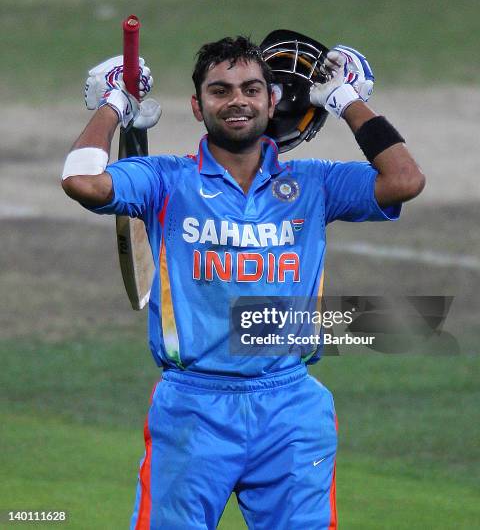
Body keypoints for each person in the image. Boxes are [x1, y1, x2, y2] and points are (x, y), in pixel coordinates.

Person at [61, 35, 425, 529]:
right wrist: (114, 104)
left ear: (271, 100)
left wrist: (346, 100)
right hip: (193, 407)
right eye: (220, 90)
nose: (237, 100)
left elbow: (404, 180)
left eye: (251, 89)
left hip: (291, 410)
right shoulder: (167, 180)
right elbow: (83, 181)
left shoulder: (314, 183)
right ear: (197, 106)